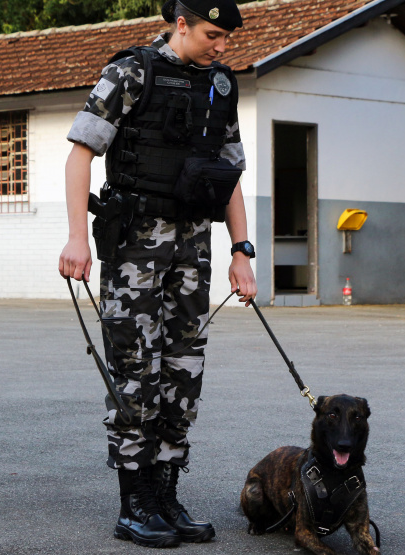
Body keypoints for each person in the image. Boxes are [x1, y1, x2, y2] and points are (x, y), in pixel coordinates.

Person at [58, 0, 257, 548]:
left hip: (193, 249)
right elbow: (80, 155)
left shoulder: (220, 85)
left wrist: (242, 250)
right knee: (134, 372)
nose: (222, 46)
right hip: (134, 248)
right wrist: (78, 237)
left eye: (227, 38)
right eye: (213, 34)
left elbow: (231, 173)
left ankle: (166, 495)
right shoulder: (131, 72)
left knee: (183, 372)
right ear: (182, 24)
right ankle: (135, 503)